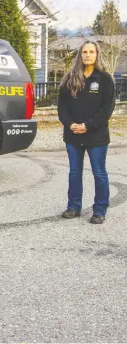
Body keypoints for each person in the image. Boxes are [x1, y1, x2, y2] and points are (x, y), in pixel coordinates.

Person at [58, 40, 115, 224]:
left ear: (97, 54)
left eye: (91, 52)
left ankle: (99, 209)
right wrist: (70, 124)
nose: (88, 55)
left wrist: (87, 125)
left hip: (96, 135)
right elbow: (62, 108)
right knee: (74, 172)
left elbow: (106, 110)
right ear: (80, 55)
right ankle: (74, 206)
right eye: (84, 52)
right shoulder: (70, 79)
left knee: (99, 172)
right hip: (73, 135)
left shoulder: (105, 79)